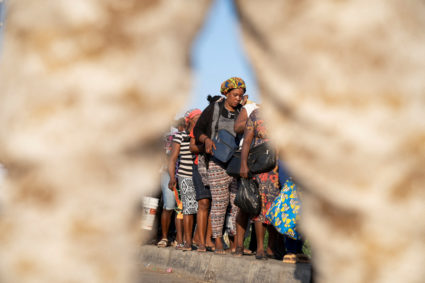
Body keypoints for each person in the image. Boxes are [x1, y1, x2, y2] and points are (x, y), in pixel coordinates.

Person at [194, 77, 245, 254]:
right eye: (235, 95)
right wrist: (206, 139)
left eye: (241, 95)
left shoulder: (242, 112)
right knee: (219, 203)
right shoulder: (214, 109)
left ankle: (237, 243)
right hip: (217, 162)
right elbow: (197, 131)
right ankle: (216, 240)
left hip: (236, 163)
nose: (238, 98)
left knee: (237, 203)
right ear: (226, 94)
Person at [238, 109, 280, 260]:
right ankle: (260, 248)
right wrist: (243, 164)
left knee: (276, 207)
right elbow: (247, 141)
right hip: (261, 167)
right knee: (260, 207)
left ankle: (271, 248)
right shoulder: (256, 114)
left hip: (278, 168)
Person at [168, 113, 198, 251]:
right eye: (196, 119)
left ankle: (191, 240)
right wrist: (172, 177)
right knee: (187, 208)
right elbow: (173, 159)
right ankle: (186, 241)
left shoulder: (200, 136)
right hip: (185, 175)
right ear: (189, 121)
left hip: (198, 176)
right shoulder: (180, 136)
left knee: (194, 209)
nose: (199, 121)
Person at [157, 119, 185, 248]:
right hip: (166, 172)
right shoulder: (159, 135)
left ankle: (177, 237)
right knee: (168, 205)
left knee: (180, 207)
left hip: (182, 171)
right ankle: (164, 237)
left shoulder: (178, 133)